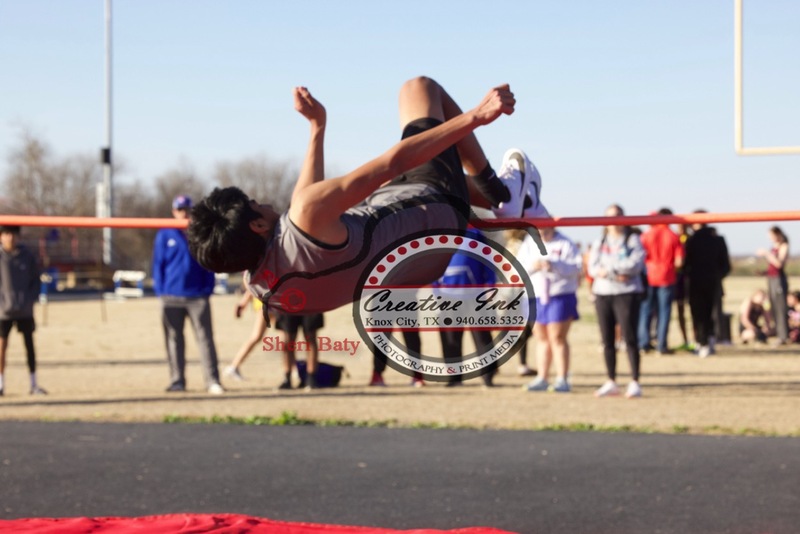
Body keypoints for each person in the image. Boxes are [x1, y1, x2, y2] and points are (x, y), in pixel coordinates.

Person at [187, 77, 542, 317]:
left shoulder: (263, 288)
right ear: (258, 225)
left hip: (418, 263)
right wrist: (477, 116)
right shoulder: (307, 213)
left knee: (413, 180)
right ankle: (501, 194)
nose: (263, 203)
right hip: (434, 211)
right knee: (418, 88)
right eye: (256, 205)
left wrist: (317, 127)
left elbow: (303, 210)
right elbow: (394, 162)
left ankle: (509, 201)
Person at [153, 195, 224, 394]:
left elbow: (209, 261)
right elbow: (158, 264)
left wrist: (207, 290)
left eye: (187, 209)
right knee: (173, 340)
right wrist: (161, 292)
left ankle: (212, 380)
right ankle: (177, 381)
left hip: (197, 296)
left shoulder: (200, 232)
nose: (183, 213)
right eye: (180, 209)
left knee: (205, 339)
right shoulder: (164, 234)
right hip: (171, 296)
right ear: (173, 212)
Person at [587, 204, 646, 398]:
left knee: (630, 338)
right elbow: (592, 267)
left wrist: (610, 270)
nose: (614, 221)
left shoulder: (632, 239)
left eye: (618, 216)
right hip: (603, 293)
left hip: (626, 293)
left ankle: (635, 381)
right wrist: (613, 272)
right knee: (607, 339)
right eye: (610, 217)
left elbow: (635, 264)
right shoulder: (600, 241)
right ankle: (611, 380)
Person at [518, 224, 582, 393]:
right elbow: (518, 268)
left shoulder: (565, 243)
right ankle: (542, 377)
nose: (542, 232)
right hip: (535, 295)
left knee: (557, 337)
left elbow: (576, 268)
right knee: (541, 337)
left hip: (559, 294)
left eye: (545, 228)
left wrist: (555, 264)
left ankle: (562, 378)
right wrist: (534, 265)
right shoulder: (528, 243)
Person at [434, 227, 498, 388]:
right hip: (447, 296)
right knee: (450, 337)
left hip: (474, 295)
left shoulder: (476, 234)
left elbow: (488, 260)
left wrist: (490, 284)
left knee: (482, 336)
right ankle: (454, 378)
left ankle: (488, 376)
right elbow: (431, 262)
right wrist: (436, 290)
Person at [0, 225, 46, 396]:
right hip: (3, 311)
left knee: (29, 346)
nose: (10, 238)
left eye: (13, 234)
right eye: (6, 234)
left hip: (25, 309)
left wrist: (30, 299)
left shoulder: (27, 256)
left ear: (18, 236)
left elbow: (36, 280)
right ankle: (1, 384)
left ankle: (34, 384)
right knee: (2, 346)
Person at [683, 213, 731, 358]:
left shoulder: (692, 240)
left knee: (698, 314)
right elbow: (726, 266)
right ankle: (707, 341)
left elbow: (685, 263)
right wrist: (717, 277)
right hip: (712, 282)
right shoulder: (717, 239)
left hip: (696, 282)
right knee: (710, 313)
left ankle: (702, 342)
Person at [637, 208, 684, 355]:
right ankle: (661, 345)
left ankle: (643, 344)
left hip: (649, 276)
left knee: (645, 310)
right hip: (667, 278)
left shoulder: (646, 235)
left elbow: (639, 257)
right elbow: (679, 262)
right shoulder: (673, 236)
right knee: (664, 312)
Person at [224, 287, 269, 381]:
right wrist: (244, 301)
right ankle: (233, 367)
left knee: (286, 335)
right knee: (257, 336)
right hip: (267, 302)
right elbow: (254, 284)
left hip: (273, 301)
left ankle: (293, 369)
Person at [757, 226, 790, 345]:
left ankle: (783, 336)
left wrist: (767, 253)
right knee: (773, 307)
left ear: (778, 234)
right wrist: (764, 272)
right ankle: (778, 333)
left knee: (780, 307)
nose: (770, 238)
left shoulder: (784, 246)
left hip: (778, 280)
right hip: (771, 278)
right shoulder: (774, 247)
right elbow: (772, 266)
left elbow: (778, 264)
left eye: (771, 235)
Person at [272, 312, 324, 390]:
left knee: (310, 337)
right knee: (288, 339)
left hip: (311, 306)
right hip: (288, 306)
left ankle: (311, 378)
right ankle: (287, 377)